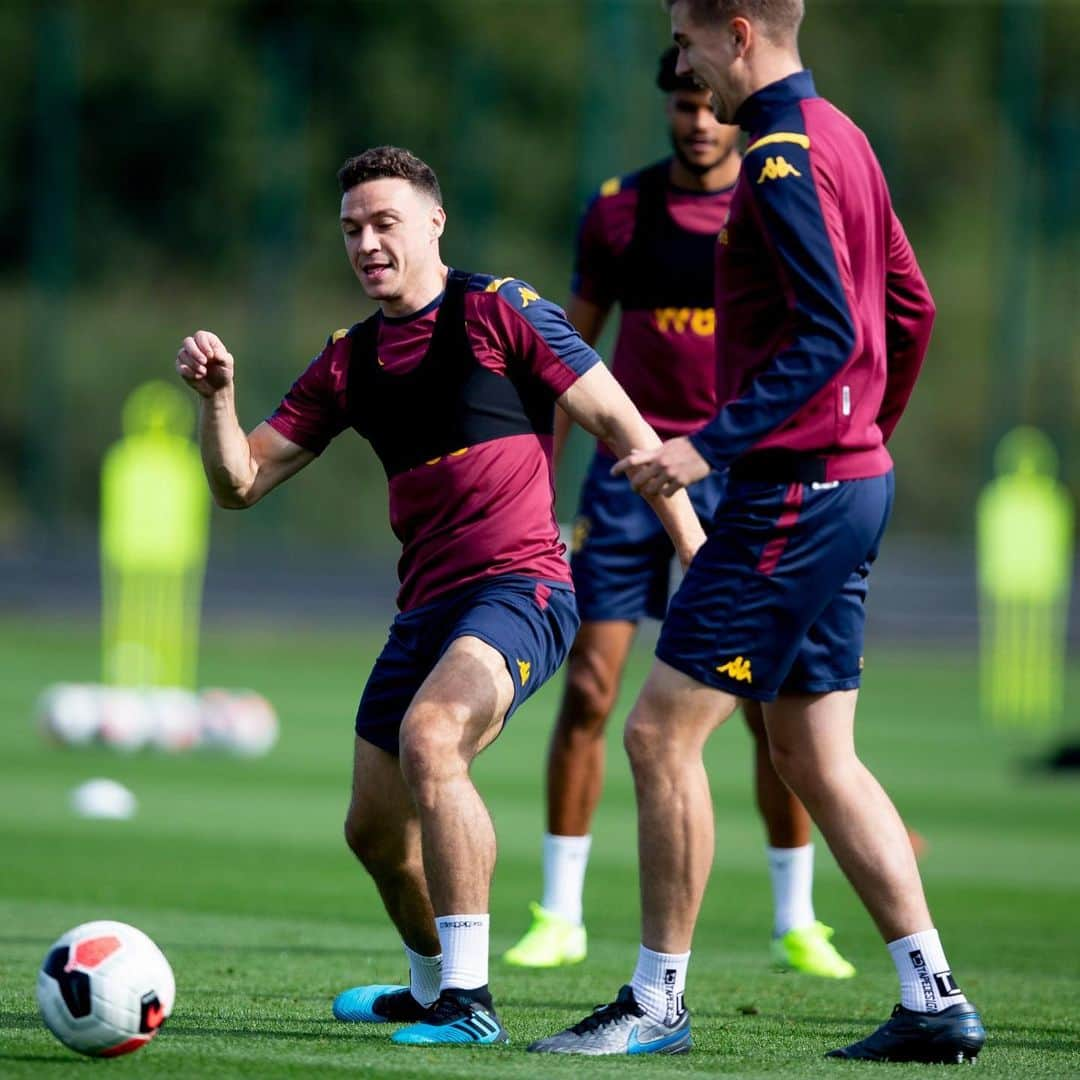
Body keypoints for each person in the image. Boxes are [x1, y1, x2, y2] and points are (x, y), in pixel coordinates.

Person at [530, 0, 986, 1063]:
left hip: (791, 491)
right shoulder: (847, 137)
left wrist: (710, 445)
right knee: (814, 752)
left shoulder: (780, 157)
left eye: (686, 41)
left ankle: (655, 1003)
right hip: (845, 479)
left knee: (656, 733)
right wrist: (868, 435)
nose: (678, 64)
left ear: (738, 33)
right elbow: (908, 308)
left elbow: (832, 329)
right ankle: (932, 996)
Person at [175, 146, 704, 1048]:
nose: (367, 243)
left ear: (433, 222)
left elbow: (623, 426)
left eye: (385, 222)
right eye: (351, 229)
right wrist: (219, 401)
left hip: (523, 589)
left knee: (433, 737)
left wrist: (696, 553)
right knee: (375, 833)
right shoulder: (350, 360)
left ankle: (469, 1001)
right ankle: (428, 988)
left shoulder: (501, 310)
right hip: (424, 609)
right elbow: (239, 485)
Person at [504, 46, 854, 981]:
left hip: (738, 478)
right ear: (665, 109)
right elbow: (561, 354)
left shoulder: (779, 196)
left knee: (761, 703)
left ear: (731, 105)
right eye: (681, 105)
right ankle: (561, 914)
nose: (698, 120)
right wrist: (537, 480)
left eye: (708, 104)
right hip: (626, 482)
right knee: (588, 690)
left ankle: (796, 919)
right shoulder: (619, 210)